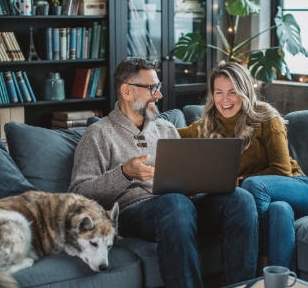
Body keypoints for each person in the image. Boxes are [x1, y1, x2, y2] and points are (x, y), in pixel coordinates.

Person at [69, 57, 258, 288]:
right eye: (151, 88)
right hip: (134, 213)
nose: (158, 95)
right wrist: (125, 173)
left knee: (241, 199)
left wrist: (198, 182)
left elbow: (185, 180)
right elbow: (78, 193)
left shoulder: (166, 128)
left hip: (181, 206)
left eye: (157, 87)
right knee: (175, 204)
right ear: (127, 91)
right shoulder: (98, 134)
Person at [177, 62, 308, 273]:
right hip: (273, 202)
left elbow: (282, 170)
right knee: (279, 210)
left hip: (299, 188)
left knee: (254, 185)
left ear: (244, 91)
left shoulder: (266, 117)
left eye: (232, 92)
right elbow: (169, 136)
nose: (225, 100)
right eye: (219, 93)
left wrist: (242, 180)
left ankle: (259, 265)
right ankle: (282, 282)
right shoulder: (206, 125)